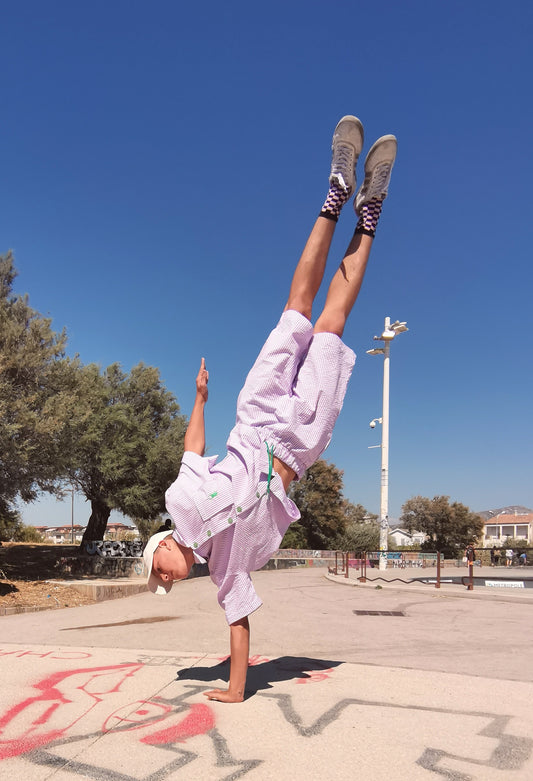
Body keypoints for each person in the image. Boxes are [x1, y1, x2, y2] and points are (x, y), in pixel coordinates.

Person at [143, 115, 397, 703]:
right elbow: (239, 629)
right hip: (298, 444)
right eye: (166, 584)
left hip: (254, 419)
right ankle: (372, 211)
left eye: (162, 578)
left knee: (298, 310)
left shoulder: (178, 500)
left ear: (159, 555)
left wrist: (200, 400)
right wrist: (237, 689)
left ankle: (335, 193)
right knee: (333, 325)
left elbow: (192, 451)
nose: (169, 583)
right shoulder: (225, 569)